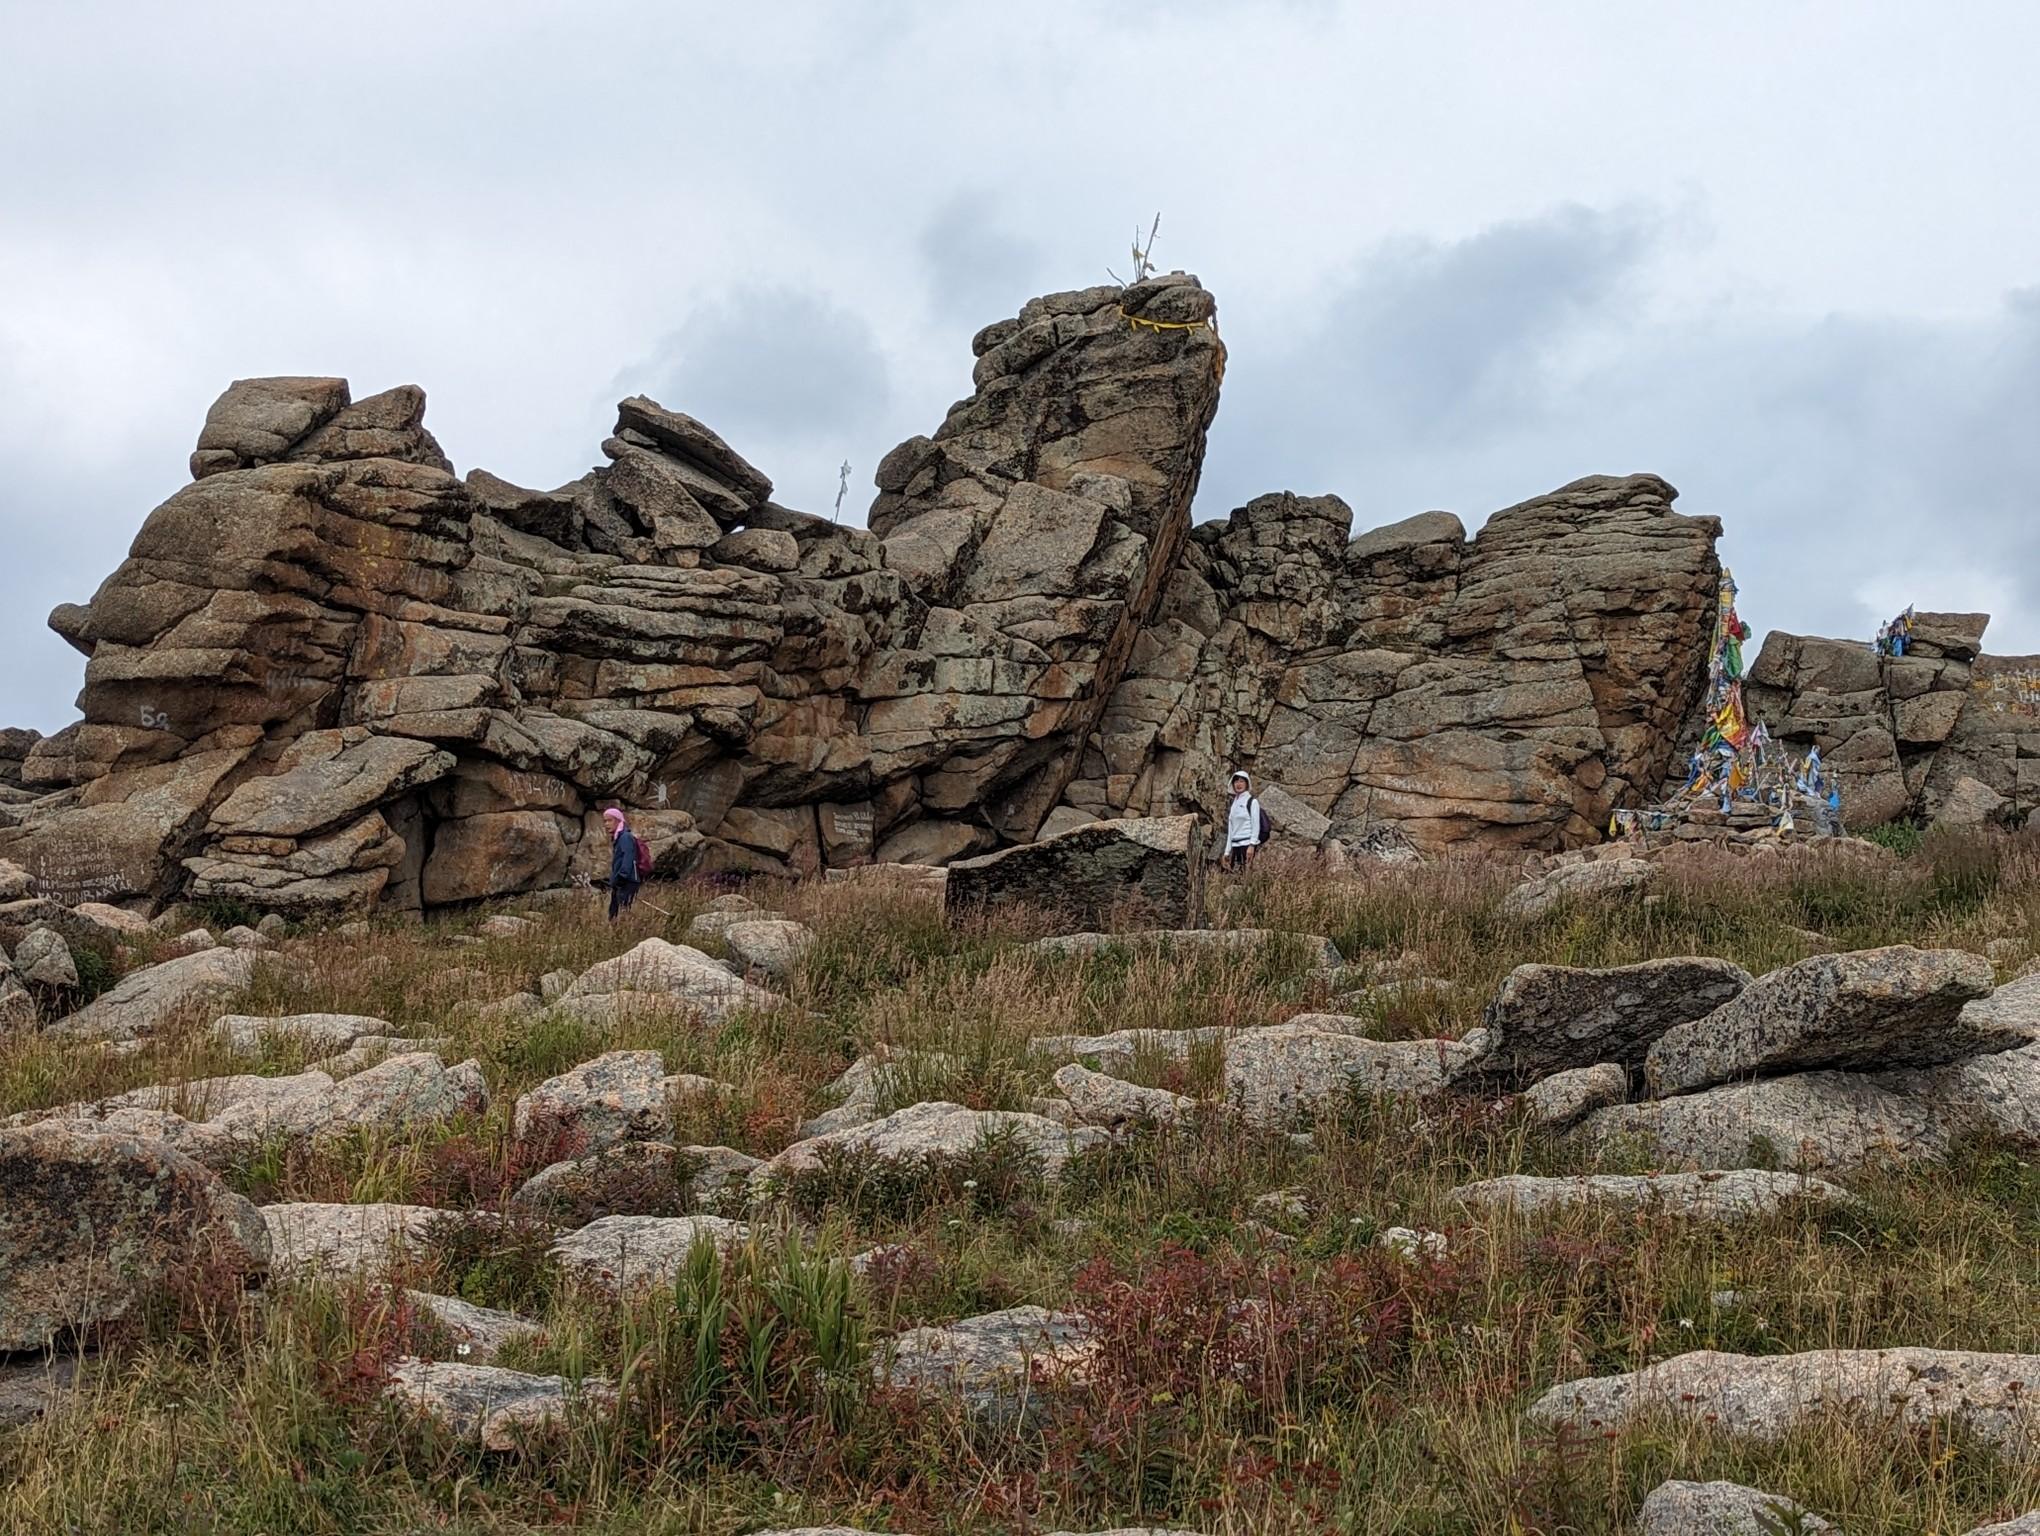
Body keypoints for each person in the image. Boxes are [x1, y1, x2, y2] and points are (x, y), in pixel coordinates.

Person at [603, 806, 642, 920]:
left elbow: (628, 858)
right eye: (605, 821)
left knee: (622, 913)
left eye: (610, 820)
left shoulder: (625, 837)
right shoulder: (618, 838)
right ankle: (616, 935)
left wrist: (621, 877)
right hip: (620, 882)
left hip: (627, 881)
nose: (606, 824)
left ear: (619, 821)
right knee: (613, 914)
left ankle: (624, 934)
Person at [1224, 769, 1264, 871]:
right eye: (1236, 781)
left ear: (1247, 784)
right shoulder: (1234, 803)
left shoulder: (1252, 802)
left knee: (1246, 875)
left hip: (1246, 845)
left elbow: (1256, 825)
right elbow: (1231, 828)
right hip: (1235, 845)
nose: (1239, 784)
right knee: (1235, 877)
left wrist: (1252, 845)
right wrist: (1227, 851)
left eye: (1242, 781)